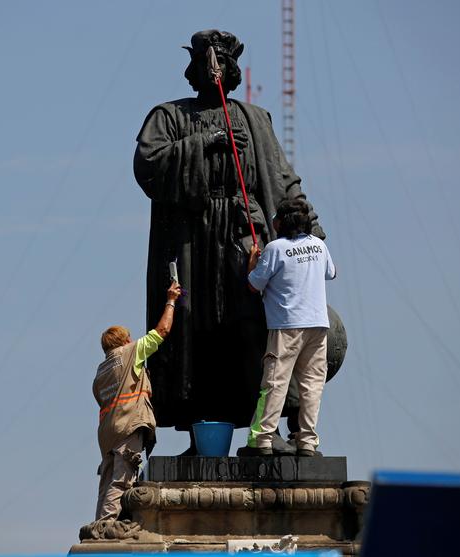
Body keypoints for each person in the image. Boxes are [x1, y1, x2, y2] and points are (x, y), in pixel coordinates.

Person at [133, 29, 326, 447]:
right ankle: (201, 434)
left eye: (220, 62)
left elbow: (281, 178)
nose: (213, 69)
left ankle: (270, 429)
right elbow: (148, 165)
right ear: (194, 69)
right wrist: (206, 142)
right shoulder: (168, 116)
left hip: (244, 238)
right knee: (195, 328)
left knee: (255, 326)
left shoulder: (255, 119)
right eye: (206, 62)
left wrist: (308, 229)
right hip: (191, 240)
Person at [242, 199, 337, 456]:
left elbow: (254, 285)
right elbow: (331, 272)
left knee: (275, 382)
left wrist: (253, 262)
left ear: (282, 222)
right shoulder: (319, 246)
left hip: (287, 326)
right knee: (312, 384)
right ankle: (307, 441)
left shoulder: (275, 248)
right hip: (318, 325)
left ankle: (261, 440)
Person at [92, 281, 182, 521]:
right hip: (128, 425)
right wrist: (171, 300)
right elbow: (161, 331)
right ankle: (106, 527)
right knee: (121, 481)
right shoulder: (130, 352)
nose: (132, 339)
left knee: (108, 482)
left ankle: (98, 524)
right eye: (129, 337)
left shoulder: (101, 371)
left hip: (107, 433)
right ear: (123, 341)